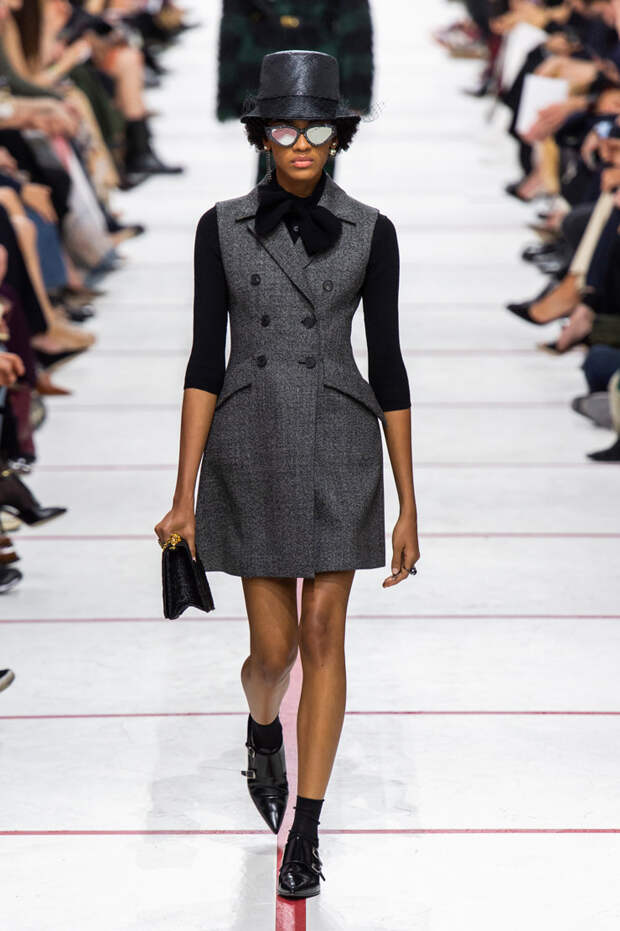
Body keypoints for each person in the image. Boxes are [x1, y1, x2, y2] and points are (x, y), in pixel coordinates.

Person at [155, 49, 420, 900]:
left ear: (339, 136)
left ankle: (306, 825)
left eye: (315, 129)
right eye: (284, 128)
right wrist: (182, 494)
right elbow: (204, 360)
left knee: (324, 636)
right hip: (251, 439)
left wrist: (409, 502)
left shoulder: (372, 230)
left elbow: (390, 365)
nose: (300, 144)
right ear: (261, 135)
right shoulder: (220, 227)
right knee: (271, 652)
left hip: (341, 438)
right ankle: (262, 725)